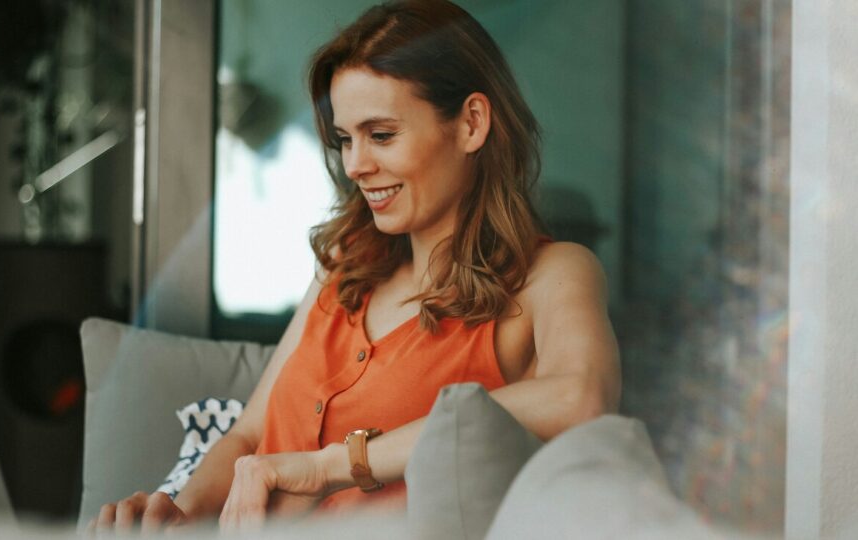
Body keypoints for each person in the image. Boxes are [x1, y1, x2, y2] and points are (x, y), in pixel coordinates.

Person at [91, 0, 620, 533]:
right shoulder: (346, 265)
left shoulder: (551, 276)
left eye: (382, 135)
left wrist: (330, 468)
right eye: (346, 139)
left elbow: (581, 397)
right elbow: (251, 436)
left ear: (471, 124)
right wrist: (174, 515)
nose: (355, 165)